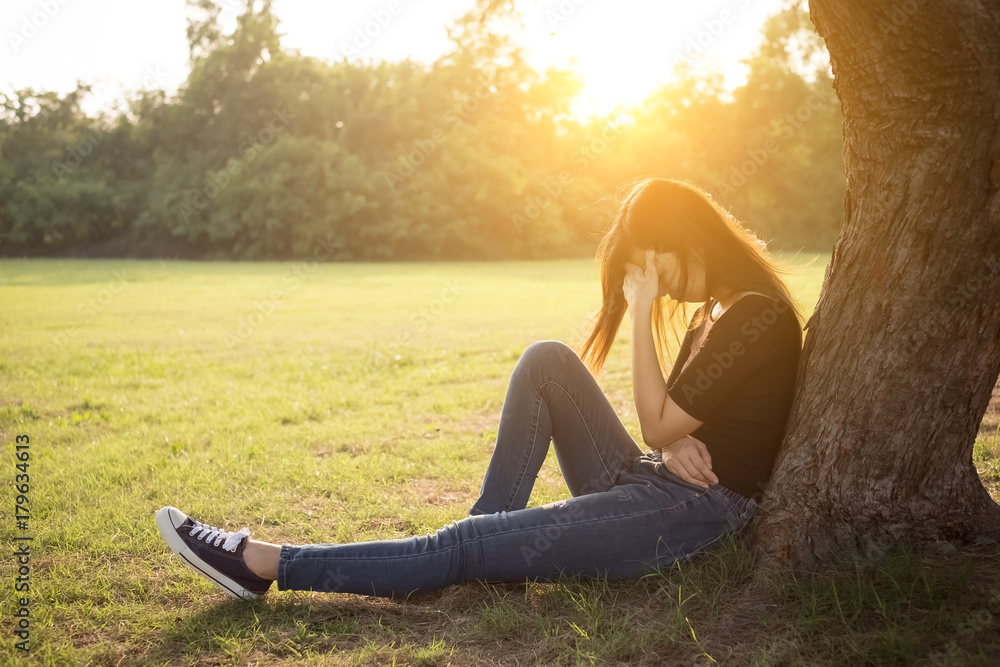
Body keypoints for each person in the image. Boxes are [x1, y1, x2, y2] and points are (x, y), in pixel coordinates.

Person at [155, 177, 805, 601]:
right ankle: (486, 550)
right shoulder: (714, 314)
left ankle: (263, 562)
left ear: (687, 241)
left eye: (656, 264)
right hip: (656, 484)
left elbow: (663, 423)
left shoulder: (755, 312)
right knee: (546, 360)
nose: (657, 283)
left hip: (696, 514)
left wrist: (640, 317)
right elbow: (667, 433)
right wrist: (666, 446)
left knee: (459, 547)